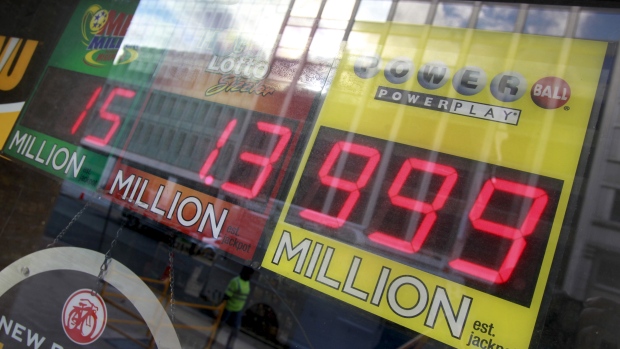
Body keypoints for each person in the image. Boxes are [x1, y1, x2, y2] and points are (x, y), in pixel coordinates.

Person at [219, 266, 254, 349]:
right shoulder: (235, 281)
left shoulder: (247, 282)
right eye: (249, 274)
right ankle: (212, 338)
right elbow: (227, 295)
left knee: (235, 330)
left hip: (238, 309)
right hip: (229, 307)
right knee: (220, 324)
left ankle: (229, 346)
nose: (250, 276)